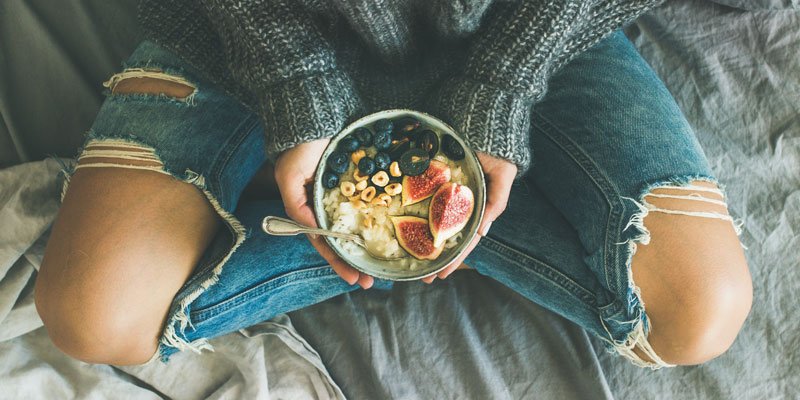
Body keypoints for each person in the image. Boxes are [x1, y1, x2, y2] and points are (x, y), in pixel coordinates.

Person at [33, 0, 752, 369]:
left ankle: (418, 228)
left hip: (529, 28)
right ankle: (409, 230)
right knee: (93, 317)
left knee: (697, 314)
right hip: (244, 31)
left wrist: (505, 80)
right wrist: (293, 81)